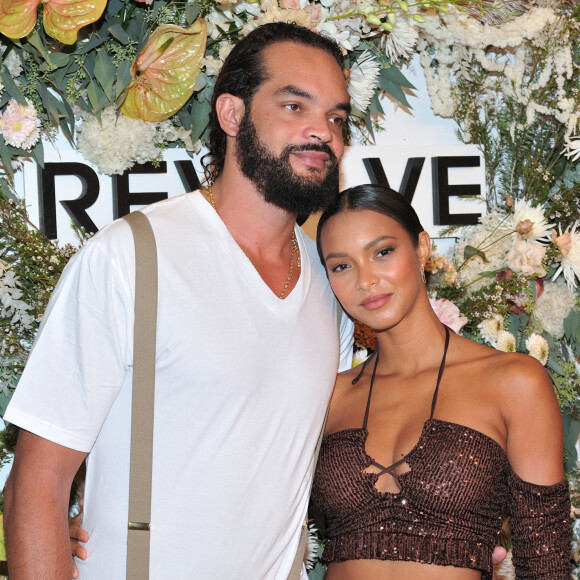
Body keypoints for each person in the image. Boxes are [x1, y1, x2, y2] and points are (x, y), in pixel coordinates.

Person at [3, 22, 355, 579]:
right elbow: (36, 482)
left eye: (337, 118)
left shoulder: (332, 285)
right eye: (294, 106)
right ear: (232, 115)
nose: (323, 133)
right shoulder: (130, 258)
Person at [311, 184, 571, 579]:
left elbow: (544, 564)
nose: (366, 280)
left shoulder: (513, 381)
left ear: (421, 249)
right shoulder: (328, 395)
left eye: (382, 252)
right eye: (341, 266)